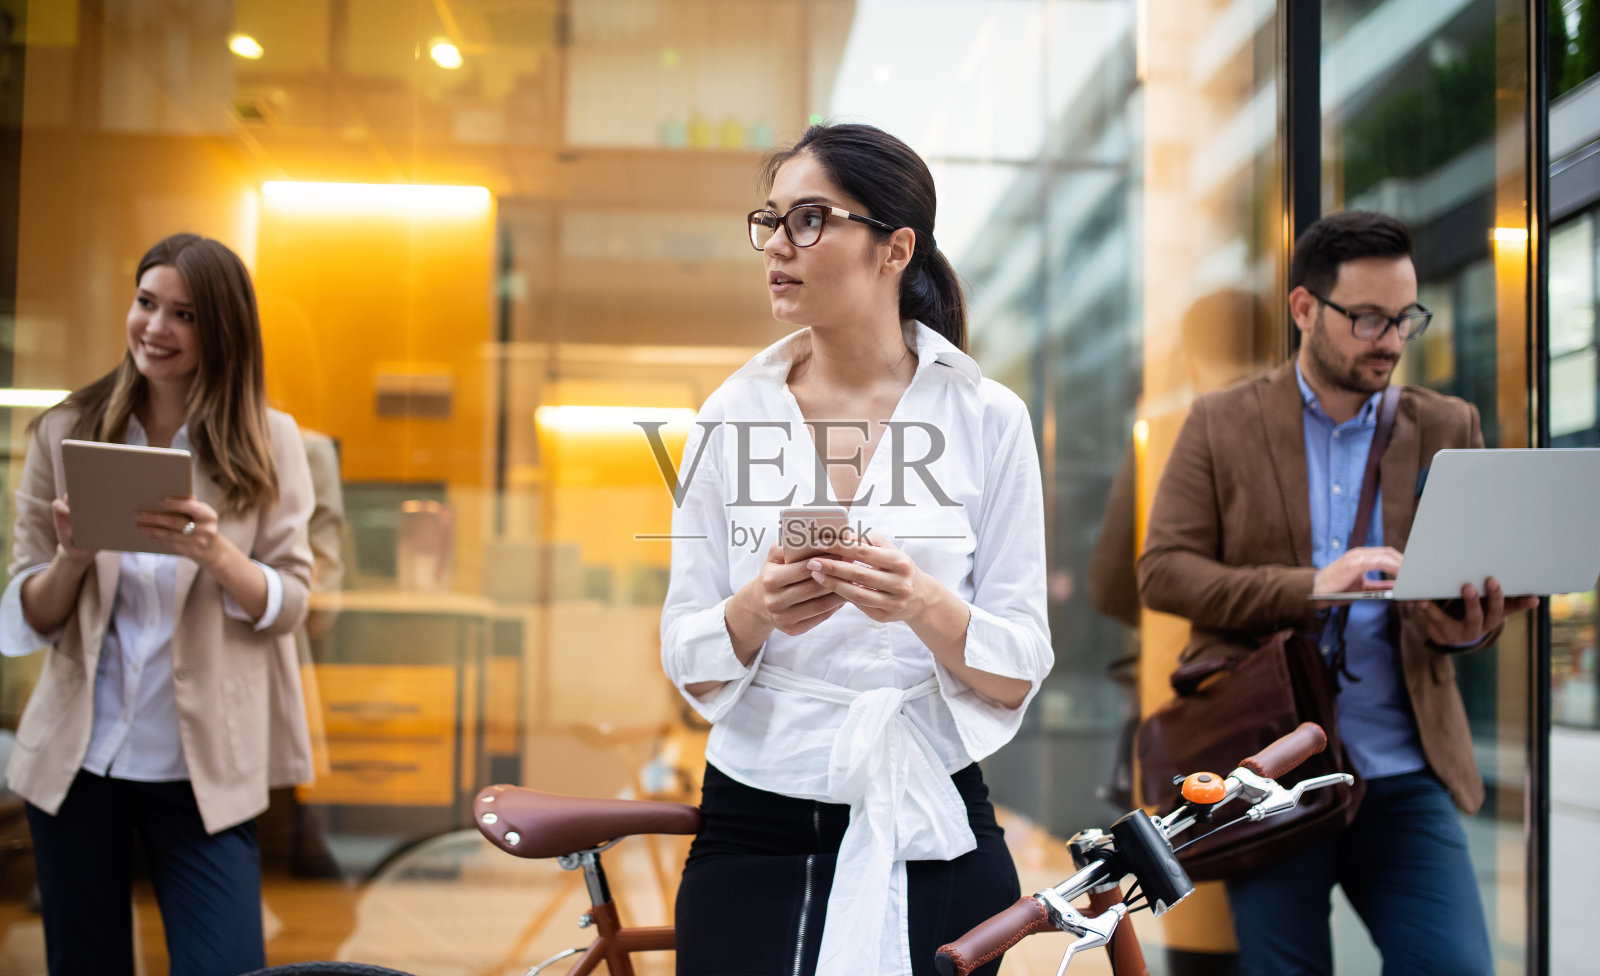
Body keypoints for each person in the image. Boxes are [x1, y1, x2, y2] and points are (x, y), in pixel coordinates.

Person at [659, 123, 1052, 976]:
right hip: (757, 813)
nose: (778, 246)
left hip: (932, 801)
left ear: (893, 248)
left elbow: (1020, 662)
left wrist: (921, 602)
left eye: (810, 219)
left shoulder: (989, 418)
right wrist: (756, 610)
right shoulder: (729, 418)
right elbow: (684, 654)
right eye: (769, 221)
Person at [1137, 211, 1539, 976]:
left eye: (1404, 318)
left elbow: (1461, 598)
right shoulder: (1221, 423)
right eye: (1367, 319)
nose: (1390, 339)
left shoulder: (1448, 423)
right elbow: (1164, 571)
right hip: (1271, 771)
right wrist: (1310, 586)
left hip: (1402, 768)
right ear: (1304, 310)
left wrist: (1467, 628)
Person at [0, 233, 316, 975]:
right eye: (147, 303)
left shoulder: (269, 442)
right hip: (79, 765)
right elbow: (22, 616)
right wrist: (73, 557)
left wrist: (216, 554)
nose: (156, 328)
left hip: (202, 769)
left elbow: (292, 602)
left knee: (225, 966)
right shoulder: (64, 429)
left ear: (222, 331)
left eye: (184, 314)